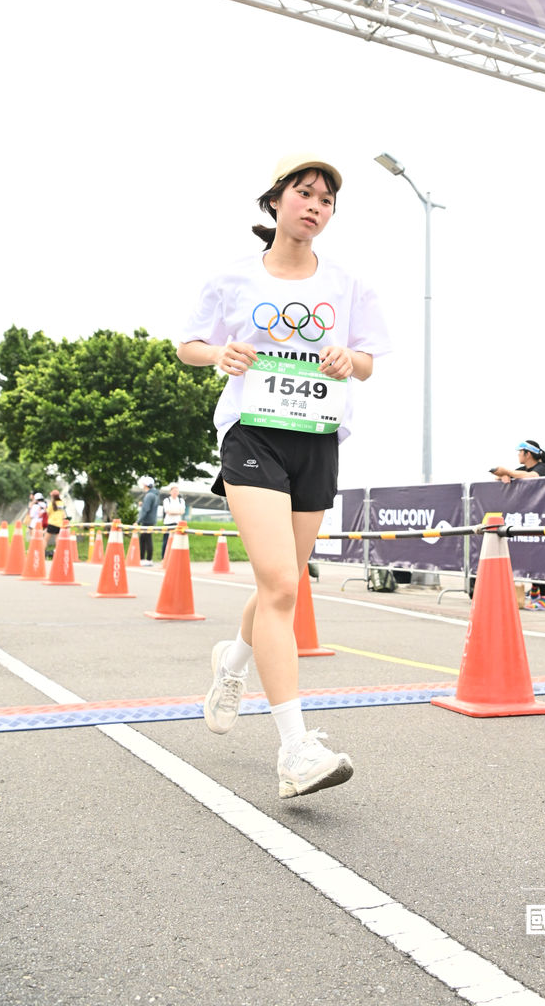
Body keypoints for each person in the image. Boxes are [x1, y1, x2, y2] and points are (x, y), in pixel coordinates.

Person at [177, 155, 390, 799]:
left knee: (284, 582)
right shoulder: (233, 278)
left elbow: (368, 361)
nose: (315, 206)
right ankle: (296, 749)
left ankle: (233, 661)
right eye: (304, 193)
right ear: (275, 201)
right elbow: (188, 344)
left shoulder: (348, 283)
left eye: (326, 200)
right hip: (253, 434)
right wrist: (221, 353)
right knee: (277, 583)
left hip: (316, 436)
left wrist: (346, 359)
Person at [490, 439, 545, 602]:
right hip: (529, 518)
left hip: (542, 518)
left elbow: (531, 477)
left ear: (528, 454)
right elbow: (499, 476)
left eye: (520, 452)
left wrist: (507, 472)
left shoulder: (542, 468)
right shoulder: (522, 469)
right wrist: (504, 474)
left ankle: (544, 598)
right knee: (531, 555)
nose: (518, 455)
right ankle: (534, 592)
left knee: (540, 555)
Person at [136, 476, 159, 565]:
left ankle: (146, 559)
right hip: (152, 520)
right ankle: (146, 559)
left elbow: (145, 510)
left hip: (147, 521)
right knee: (145, 539)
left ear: (146, 485)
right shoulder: (155, 494)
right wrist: (143, 504)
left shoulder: (149, 495)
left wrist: (138, 521)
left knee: (145, 540)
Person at [160, 483, 186, 559]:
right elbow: (167, 511)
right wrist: (177, 511)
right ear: (170, 492)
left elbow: (182, 511)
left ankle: (174, 558)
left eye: (176, 491)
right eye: (174, 491)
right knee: (166, 541)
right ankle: (164, 558)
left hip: (177, 523)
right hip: (168, 523)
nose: (175, 492)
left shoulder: (181, 500)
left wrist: (173, 511)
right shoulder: (167, 500)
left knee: (177, 541)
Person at [44, 489, 66, 559]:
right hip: (59, 524)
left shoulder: (51, 504)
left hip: (52, 523)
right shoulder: (62, 503)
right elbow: (63, 513)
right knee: (57, 539)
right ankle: (57, 553)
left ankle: (42, 552)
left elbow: (47, 513)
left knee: (45, 539)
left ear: (52, 496)